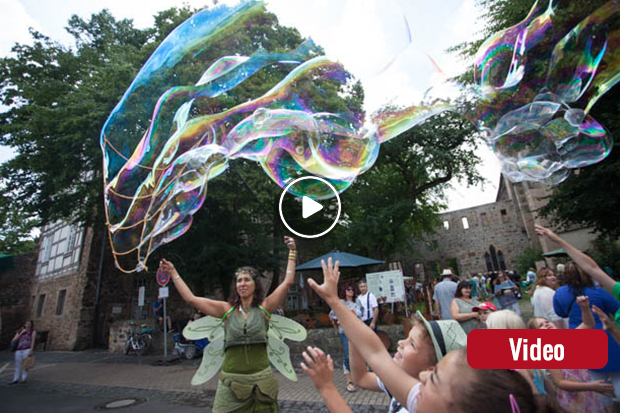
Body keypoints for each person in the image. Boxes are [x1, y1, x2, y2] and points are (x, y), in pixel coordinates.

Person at [307, 258, 560, 413]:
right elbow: (374, 353)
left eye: (435, 376)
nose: (425, 377)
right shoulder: (429, 400)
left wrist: (327, 387)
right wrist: (337, 304)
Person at [160, 236, 297, 413]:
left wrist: (292, 252)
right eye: (239, 281)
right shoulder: (226, 310)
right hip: (231, 383)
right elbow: (191, 299)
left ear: (255, 284)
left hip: (261, 383)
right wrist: (173, 272)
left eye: (247, 279)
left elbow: (288, 283)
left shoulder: (265, 308)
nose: (242, 283)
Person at [350, 311, 465, 413]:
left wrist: (330, 388)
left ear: (431, 370)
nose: (400, 342)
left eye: (412, 344)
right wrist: (351, 335)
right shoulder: (399, 379)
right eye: (407, 337)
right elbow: (361, 378)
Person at [528, 297, 613, 412]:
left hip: (590, 393)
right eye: (541, 326)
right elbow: (560, 383)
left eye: (547, 322)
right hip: (574, 399)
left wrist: (585, 308)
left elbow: (588, 324)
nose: (547, 325)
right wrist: (591, 386)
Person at [329, 283, 361, 392]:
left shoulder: (356, 303)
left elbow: (360, 315)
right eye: (348, 289)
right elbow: (332, 314)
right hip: (345, 332)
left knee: (357, 355)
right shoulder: (341, 302)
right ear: (345, 291)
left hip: (355, 333)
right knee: (347, 355)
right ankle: (349, 381)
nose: (350, 291)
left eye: (352, 289)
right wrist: (337, 324)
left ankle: (358, 378)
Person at [10, 320, 36, 384]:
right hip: (19, 349)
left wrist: (31, 350)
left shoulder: (33, 331)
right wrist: (21, 333)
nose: (28, 325)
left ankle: (24, 378)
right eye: (27, 324)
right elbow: (14, 340)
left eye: (29, 324)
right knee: (17, 364)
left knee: (25, 364)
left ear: (31, 325)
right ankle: (15, 379)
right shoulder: (20, 330)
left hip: (27, 349)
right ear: (24, 324)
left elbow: (33, 341)